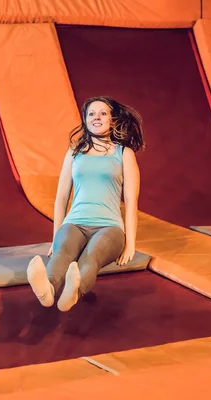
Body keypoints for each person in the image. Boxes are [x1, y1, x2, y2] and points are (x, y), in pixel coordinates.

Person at [26, 96, 145, 312]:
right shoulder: (74, 153)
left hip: (109, 227)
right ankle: (47, 291)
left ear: (112, 119)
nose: (96, 117)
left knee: (91, 257)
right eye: (91, 113)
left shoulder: (124, 153)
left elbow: (130, 201)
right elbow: (61, 198)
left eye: (103, 113)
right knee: (62, 252)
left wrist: (130, 243)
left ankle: (73, 293)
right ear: (85, 120)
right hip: (75, 223)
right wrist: (55, 238)